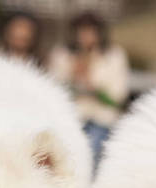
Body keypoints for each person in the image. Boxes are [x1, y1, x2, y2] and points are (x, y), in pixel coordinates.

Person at [48, 11, 129, 166]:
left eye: (90, 31)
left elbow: (118, 96)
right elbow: (54, 89)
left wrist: (93, 86)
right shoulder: (63, 54)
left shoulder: (113, 55)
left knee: (92, 150)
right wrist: (72, 76)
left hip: (102, 119)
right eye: (81, 31)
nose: (85, 36)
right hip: (71, 118)